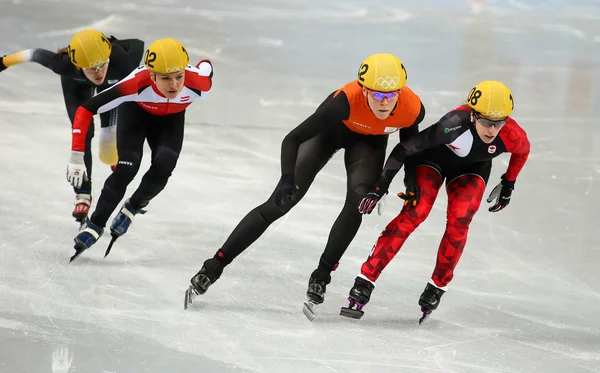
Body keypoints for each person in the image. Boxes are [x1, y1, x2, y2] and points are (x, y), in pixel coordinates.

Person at [184, 53, 426, 313]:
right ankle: (214, 266)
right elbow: (292, 138)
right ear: (364, 89)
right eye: (377, 95)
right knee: (280, 203)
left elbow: (409, 147)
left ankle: (321, 276)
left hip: (368, 143)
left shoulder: (412, 108)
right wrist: (287, 178)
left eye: (391, 95)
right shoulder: (343, 102)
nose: (385, 102)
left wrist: (410, 179)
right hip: (331, 131)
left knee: (357, 203)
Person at [341, 80, 530, 322]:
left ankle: (437, 286)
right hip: (433, 161)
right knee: (416, 212)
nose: (492, 130)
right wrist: (381, 186)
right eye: (485, 121)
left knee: (461, 219)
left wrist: (509, 182)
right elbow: (404, 149)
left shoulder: (513, 134)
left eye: (499, 123)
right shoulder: (452, 124)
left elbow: (523, 152)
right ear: (472, 115)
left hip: (472, 168)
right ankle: (365, 280)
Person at [65, 37, 213, 262]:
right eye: (165, 78)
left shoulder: (198, 82)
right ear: (151, 75)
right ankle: (95, 224)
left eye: (178, 76)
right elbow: (86, 110)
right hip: (136, 114)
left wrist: (199, 68)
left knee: (164, 165)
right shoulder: (135, 83)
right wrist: (77, 155)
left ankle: (133, 207)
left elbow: (206, 66)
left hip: (171, 121)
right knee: (127, 168)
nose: (174, 85)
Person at [0, 29, 144, 224]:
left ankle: (111, 155)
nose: (98, 72)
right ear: (78, 67)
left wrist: (112, 44)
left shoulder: (122, 62)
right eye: (91, 68)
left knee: (108, 140)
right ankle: (83, 193)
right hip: (75, 85)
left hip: (113, 78)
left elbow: (137, 43)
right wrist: (4, 62)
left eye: (101, 65)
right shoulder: (64, 64)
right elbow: (35, 54)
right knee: (84, 132)